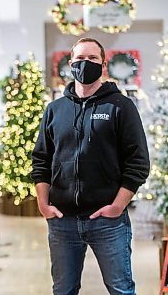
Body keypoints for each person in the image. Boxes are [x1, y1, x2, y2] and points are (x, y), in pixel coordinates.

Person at [31, 38, 150, 295]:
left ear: (103, 64)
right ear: (71, 63)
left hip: (108, 220)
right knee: (63, 290)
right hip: (63, 221)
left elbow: (138, 162)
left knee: (121, 289)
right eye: (80, 59)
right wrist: (43, 203)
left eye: (93, 59)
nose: (86, 64)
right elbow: (41, 159)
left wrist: (118, 205)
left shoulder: (120, 106)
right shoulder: (54, 110)